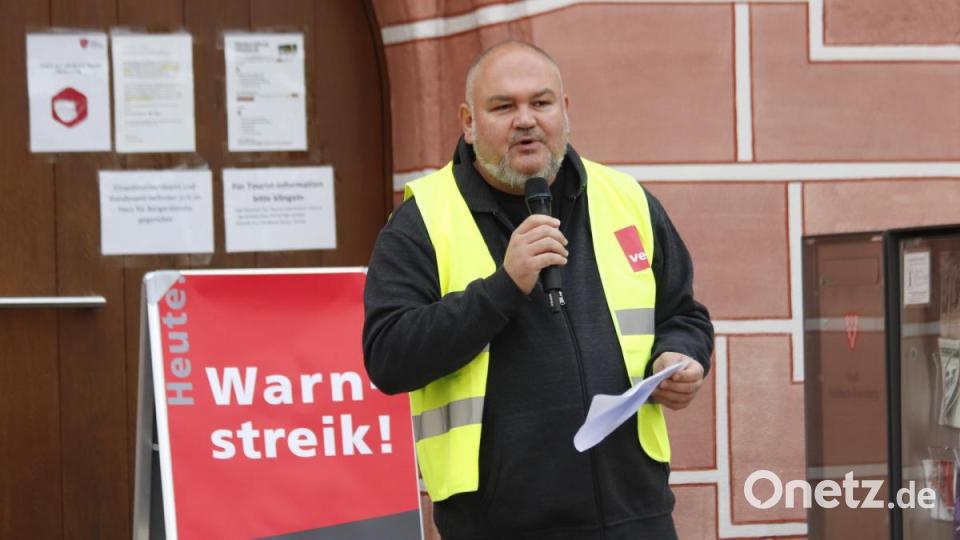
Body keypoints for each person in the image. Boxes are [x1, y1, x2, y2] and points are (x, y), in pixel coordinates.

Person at [363, 41, 714, 540]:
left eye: (540, 103)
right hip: (500, 524)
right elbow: (388, 356)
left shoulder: (626, 199)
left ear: (564, 111)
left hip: (635, 514)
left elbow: (683, 313)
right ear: (468, 121)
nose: (525, 120)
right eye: (503, 107)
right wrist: (503, 288)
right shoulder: (421, 222)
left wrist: (682, 356)